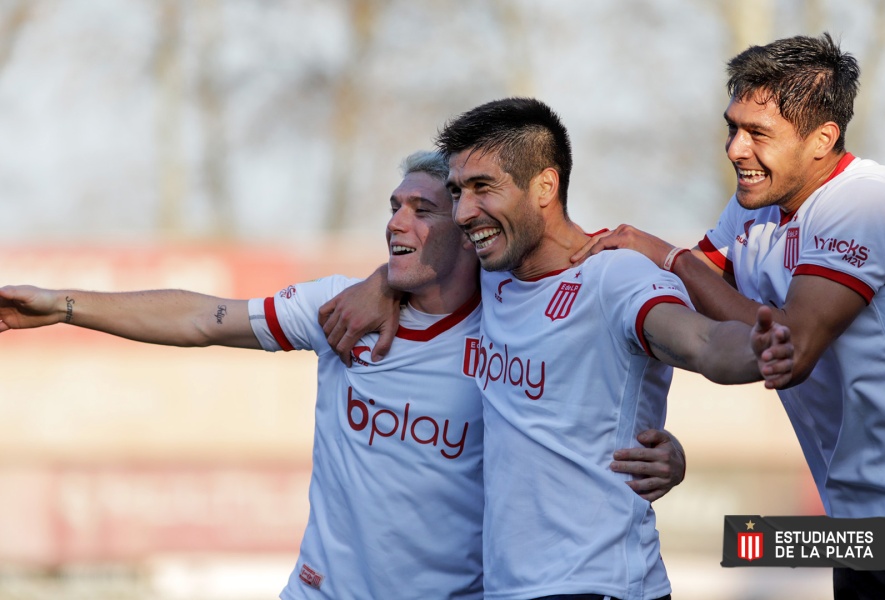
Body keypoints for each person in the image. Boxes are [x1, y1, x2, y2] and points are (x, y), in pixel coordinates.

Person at [0, 151, 693, 600]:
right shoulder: (344, 313)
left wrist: (670, 452)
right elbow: (204, 319)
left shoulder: (516, 323)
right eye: (393, 207)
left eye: (423, 211)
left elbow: (599, 403)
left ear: (469, 227)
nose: (397, 222)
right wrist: (64, 305)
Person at [319, 99, 794, 600]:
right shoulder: (493, 273)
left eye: (483, 188)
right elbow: (425, 264)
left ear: (545, 186)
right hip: (507, 589)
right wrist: (380, 283)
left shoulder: (613, 275)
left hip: (597, 584)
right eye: (457, 192)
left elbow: (701, 340)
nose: (463, 212)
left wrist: (757, 349)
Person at [580, 33, 885, 599]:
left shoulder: (867, 201)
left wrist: (671, 254)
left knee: (748, 546)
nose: (734, 148)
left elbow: (790, 350)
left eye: (758, 133)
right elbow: (676, 295)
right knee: (750, 545)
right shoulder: (757, 206)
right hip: (858, 529)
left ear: (824, 138)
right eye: (733, 126)